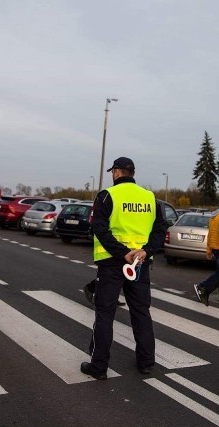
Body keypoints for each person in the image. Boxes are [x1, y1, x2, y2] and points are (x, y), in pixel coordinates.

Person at [80, 157, 167, 380]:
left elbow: (99, 228)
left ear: (117, 172)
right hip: (140, 263)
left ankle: (99, 367)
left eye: (113, 171)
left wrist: (121, 252)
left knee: (105, 313)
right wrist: (145, 251)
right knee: (141, 312)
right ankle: (146, 362)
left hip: (112, 263)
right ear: (133, 172)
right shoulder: (150, 198)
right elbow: (160, 231)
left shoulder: (107, 196)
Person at [193, 195, 219, 305]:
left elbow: (210, 235)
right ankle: (202, 286)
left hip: (214, 247)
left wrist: (209, 250)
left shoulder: (213, 217)